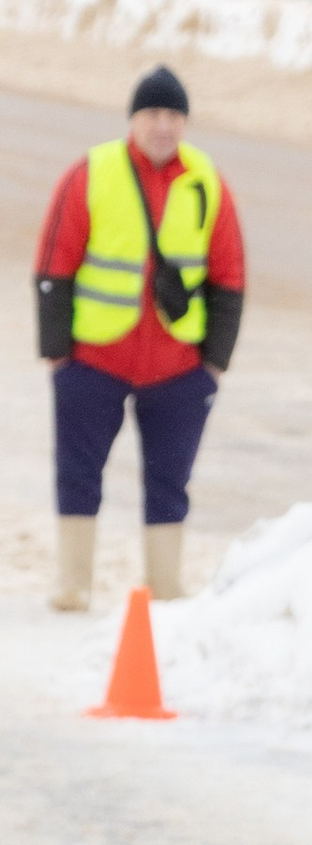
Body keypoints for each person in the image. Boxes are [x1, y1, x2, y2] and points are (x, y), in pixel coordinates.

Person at [33, 62, 246, 610]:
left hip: (177, 369)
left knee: (170, 484)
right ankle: (73, 586)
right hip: (94, 359)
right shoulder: (93, 172)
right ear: (134, 119)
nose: (164, 125)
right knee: (78, 472)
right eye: (153, 113)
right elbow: (55, 262)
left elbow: (229, 276)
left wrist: (213, 363)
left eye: (174, 114)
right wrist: (59, 354)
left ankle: (166, 592)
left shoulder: (207, 181)